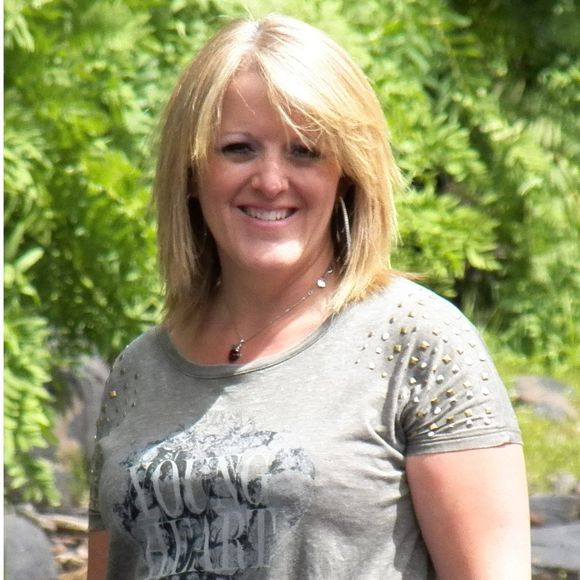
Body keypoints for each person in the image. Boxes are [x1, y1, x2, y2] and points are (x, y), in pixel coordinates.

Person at [88, 13, 530, 580]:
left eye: (304, 151)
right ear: (191, 170)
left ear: (346, 173)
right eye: (239, 149)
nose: (271, 181)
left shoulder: (417, 343)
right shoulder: (138, 371)